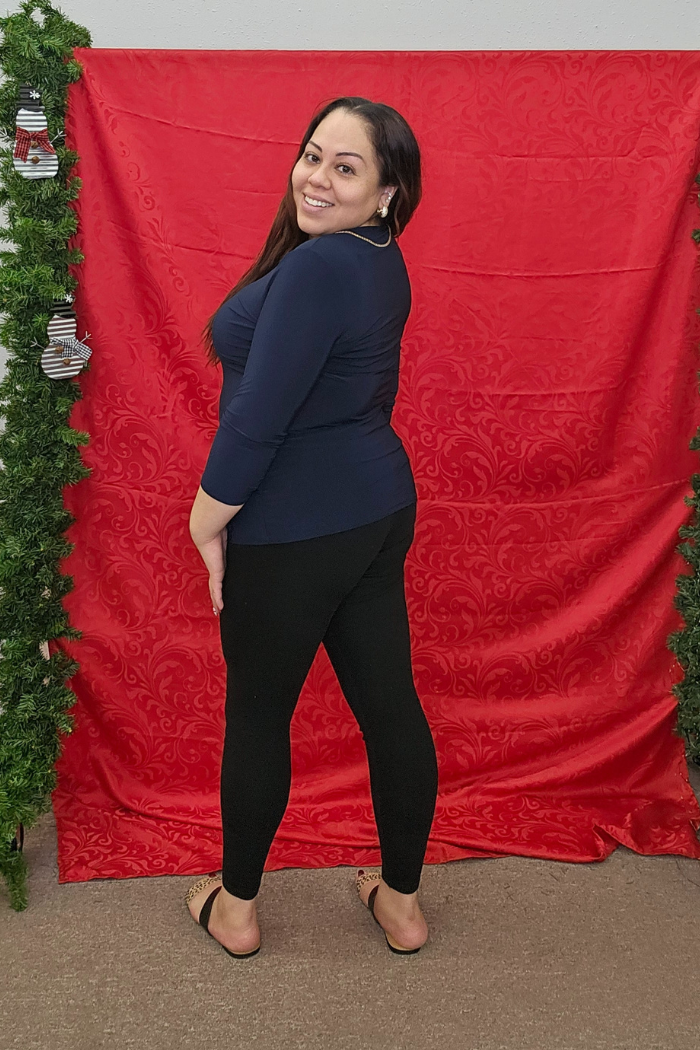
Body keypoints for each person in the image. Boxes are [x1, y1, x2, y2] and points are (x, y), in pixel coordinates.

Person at [185, 95, 439, 958]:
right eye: (312, 155)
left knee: (259, 718)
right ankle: (401, 905)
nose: (317, 178)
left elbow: (259, 416)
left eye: (346, 167)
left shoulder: (322, 266)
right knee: (390, 705)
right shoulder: (377, 255)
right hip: (376, 510)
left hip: (294, 526)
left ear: (386, 191)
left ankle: (236, 911)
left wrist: (205, 519)